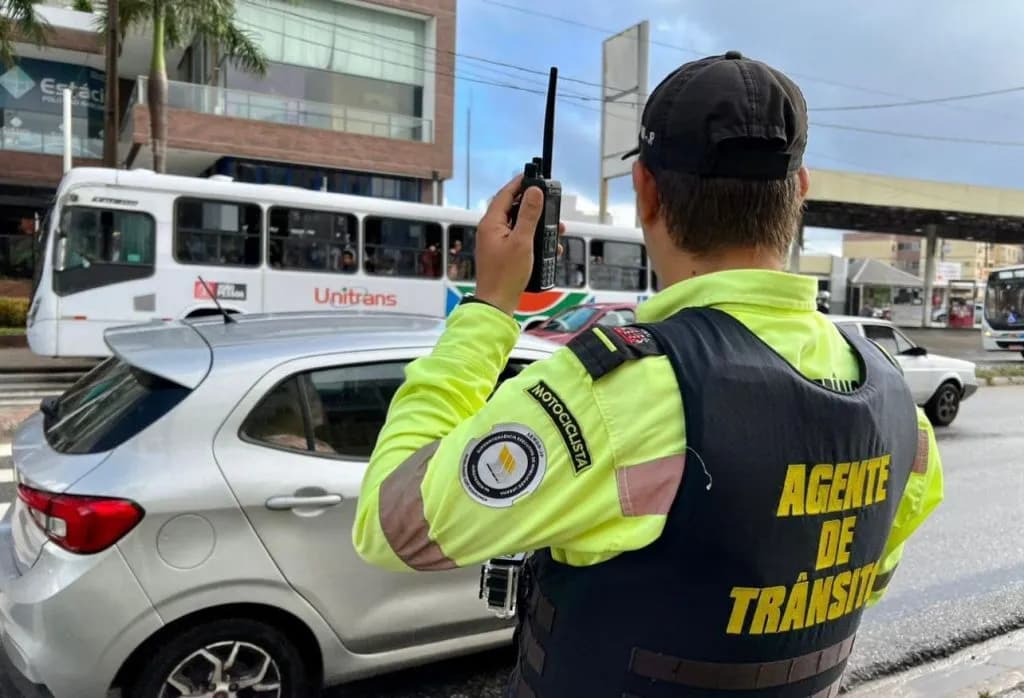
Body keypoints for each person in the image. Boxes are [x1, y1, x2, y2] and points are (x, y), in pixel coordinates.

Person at [352, 51, 944, 698]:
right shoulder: (898, 409)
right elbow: (866, 580)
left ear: (646, 191)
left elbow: (393, 526)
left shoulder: (618, 392)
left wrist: (490, 310)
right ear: (799, 191)